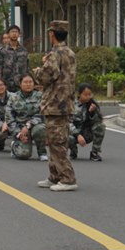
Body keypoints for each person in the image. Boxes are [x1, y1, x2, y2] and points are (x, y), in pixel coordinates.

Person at [34, 20, 78, 191]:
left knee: (56, 143)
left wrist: (38, 70)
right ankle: (55, 175)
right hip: (65, 103)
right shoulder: (70, 53)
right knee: (56, 141)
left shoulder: (54, 54)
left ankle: (67, 178)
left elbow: (45, 77)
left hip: (55, 103)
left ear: (52, 34)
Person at [8, 73, 47, 161]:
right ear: (20, 84)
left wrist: (28, 125)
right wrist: (18, 134)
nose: (28, 84)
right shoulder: (13, 97)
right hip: (20, 128)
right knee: (24, 155)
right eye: (25, 82)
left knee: (40, 129)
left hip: (35, 125)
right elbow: (9, 117)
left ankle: (42, 152)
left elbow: (42, 114)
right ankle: (15, 145)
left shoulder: (40, 96)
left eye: (30, 82)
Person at [70, 83, 105, 161]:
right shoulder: (72, 105)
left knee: (101, 126)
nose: (88, 97)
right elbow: (68, 123)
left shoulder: (92, 104)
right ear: (79, 94)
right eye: (85, 95)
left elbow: (98, 121)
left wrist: (93, 112)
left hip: (87, 133)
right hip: (74, 133)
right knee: (66, 137)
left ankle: (94, 152)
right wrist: (78, 135)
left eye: (89, 94)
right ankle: (73, 151)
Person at [0, 24, 30, 92]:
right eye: (12, 32)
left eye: (16, 32)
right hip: (7, 84)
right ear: (8, 34)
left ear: (19, 34)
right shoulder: (2, 51)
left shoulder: (24, 50)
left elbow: (27, 68)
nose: (14, 34)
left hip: (20, 84)